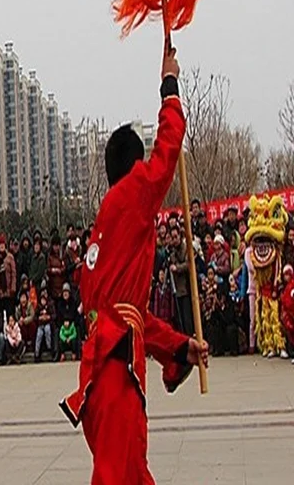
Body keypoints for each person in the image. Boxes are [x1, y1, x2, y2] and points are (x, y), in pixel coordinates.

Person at [61, 45, 209, 484]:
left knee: (131, 475)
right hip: (115, 372)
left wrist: (180, 348)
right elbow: (168, 150)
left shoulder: (110, 228)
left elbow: (132, 316)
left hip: (110, 367)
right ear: (133, 166)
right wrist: (169, 86)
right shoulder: (131, 195)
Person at [0, 234, 17, 318]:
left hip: (8, 291)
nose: (1, 246)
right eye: (0, 244)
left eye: (3, 244)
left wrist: (13, 288)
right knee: (0, 315)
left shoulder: (10, 257)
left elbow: (13, 273)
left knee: (9, 314)